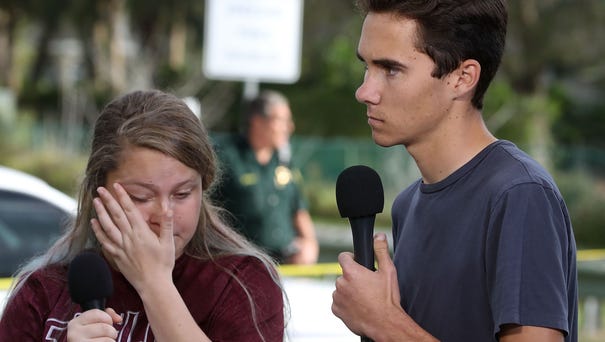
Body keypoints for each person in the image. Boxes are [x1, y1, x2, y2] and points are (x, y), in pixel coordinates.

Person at [331, 1, 578, 342]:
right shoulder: (407, 205)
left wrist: (385, 323)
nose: (365, 92)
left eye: (390, 69)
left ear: (463, 78)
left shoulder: (519, 195)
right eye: (367, 67)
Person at [0, 90, 285, 341]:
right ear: (98, 191)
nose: (165, 215)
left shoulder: (241, 282)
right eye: (141, 197)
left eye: (183, 193)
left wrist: (154, 283)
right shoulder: (45, 289)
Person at [213, 90, 319, 264]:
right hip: (239, 262)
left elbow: (298, 208)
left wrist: (309, 244)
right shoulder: (226, 156)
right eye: (282, 120)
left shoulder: (283, 161)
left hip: (285, 264)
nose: (289, 127)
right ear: (257, 121)